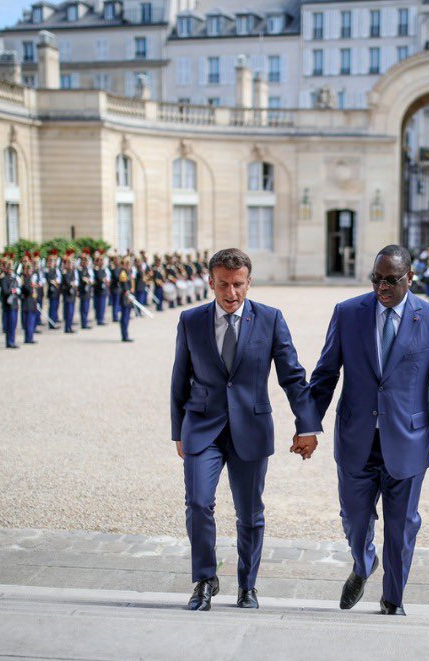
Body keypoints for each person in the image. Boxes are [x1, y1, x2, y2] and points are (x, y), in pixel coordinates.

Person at [308, 244, 429, 616]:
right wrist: (308, 425)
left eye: (390, 280)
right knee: (354, 520)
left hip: (408, 442)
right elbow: (325, 374)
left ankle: (393, 600)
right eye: (376, 278)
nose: (381, 287)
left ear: (410, 278)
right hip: (355, 439)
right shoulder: (347, 314)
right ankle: (363, 564)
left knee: (401, 527)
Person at [170, 248, 320, 611]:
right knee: (199, 503)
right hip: (202, 428)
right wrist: (178, 432)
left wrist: (307, 425)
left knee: (250, 514)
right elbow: (179, 378)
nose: (231, 293)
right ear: (211, 282)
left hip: (251, 429)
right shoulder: (190, 321)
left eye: (238, 285)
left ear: (249, 283)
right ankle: (205, 579)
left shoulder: (270, 320)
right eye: (223, 284)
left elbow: (293, 376)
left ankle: (247, 585)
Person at [0, 257, 20, 349]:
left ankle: (12, 340)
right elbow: (5, 291)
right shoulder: (4, 278)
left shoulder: (13, 278)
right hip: (8, 304)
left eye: (11, 269)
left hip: (14, 303)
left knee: (13, 324)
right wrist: (12, 291)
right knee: (9, 324)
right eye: (9, 268)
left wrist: (16, 290)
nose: (10, 270)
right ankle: (9, 342)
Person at [21, 259, 40, 344]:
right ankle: (28, 338)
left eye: (30, 269)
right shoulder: (24, 278)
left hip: (32, 301)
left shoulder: (31, 278)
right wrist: (32, 286)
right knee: (28, 321)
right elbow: (26, 289)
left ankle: (30, 337)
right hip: (27, 302)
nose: (29, 271)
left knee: (32, 321)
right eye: (27, 269)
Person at [116, 256, 134, 342]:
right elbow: (123, 283)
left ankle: (126, 334)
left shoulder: (128, 271)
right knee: (125, 316)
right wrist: (127, 291)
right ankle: (124, 335)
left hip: (128, 295)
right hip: (125, 296)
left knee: (127, 316)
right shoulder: (123, 271)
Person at [60, 252, 78, 334]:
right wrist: (72, 284)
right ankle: (67, 327)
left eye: (71, 263)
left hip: (72, 294)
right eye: (69, 263)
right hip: (67, 294)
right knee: (68, 312)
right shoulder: (65, 273)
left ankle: (69, 326)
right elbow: (67, 283)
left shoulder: (72, 272)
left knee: (71, 312)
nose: (70, 265)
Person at [45, 250, 62, 330]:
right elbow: (50, 280)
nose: (52, 262)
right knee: (52, 307)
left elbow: (58, 280)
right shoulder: (47, 270)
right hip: (52, 291)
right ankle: (51, 323)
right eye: (51, 261)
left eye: (54, 261)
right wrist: (55, 282)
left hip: (57, 291)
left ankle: (54, 321)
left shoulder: (56, 269)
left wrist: (56, 282)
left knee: (55, 307)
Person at [93, 252, 109, 325]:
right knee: (99, 306)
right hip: (98, 290)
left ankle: (101, 318)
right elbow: (99, 278)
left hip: (103, 290)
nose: (102, 262)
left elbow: (105, 278)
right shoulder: (96, 270)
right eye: (100, 261)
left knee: (102, 306)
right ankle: (99, 319)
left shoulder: (102, 269)